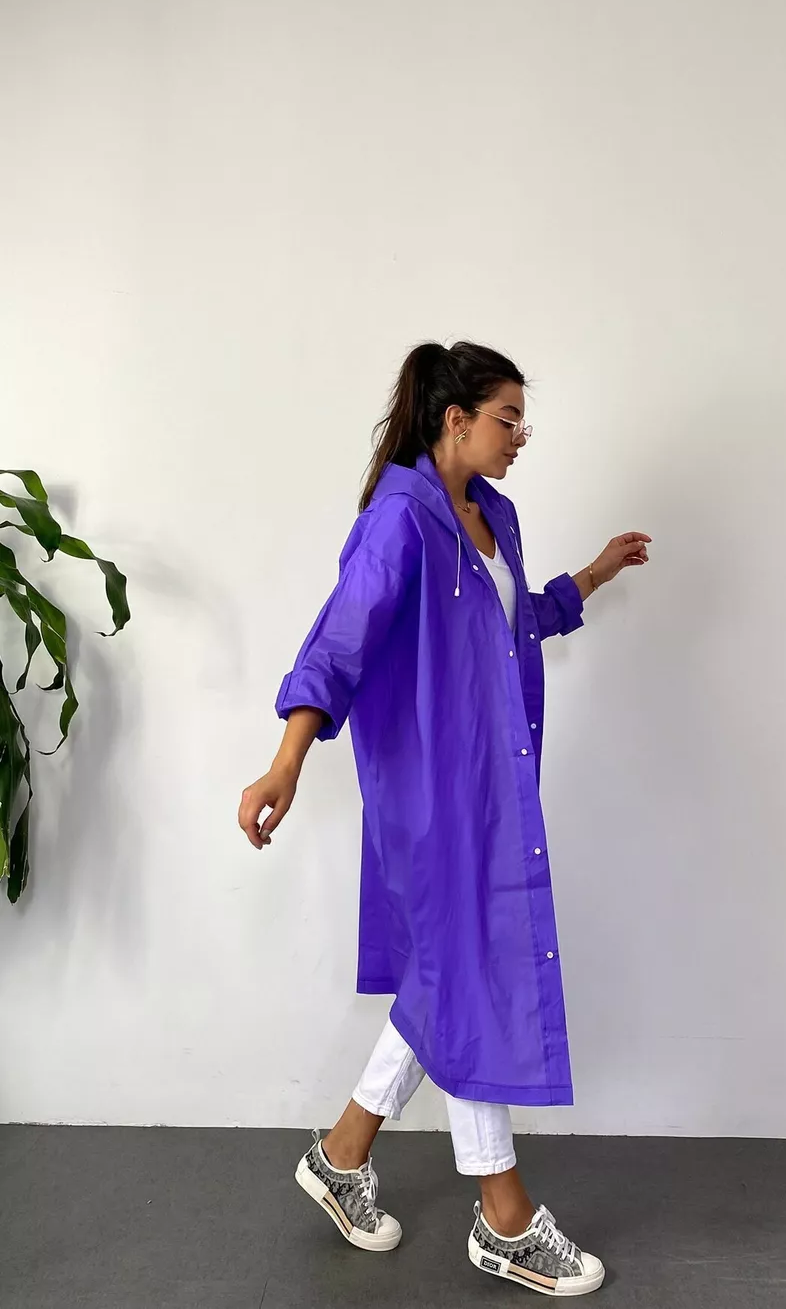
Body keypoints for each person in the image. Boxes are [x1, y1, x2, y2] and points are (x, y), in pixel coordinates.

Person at [239, 341, 651, 1297]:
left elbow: (510, 625)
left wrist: (591, 577)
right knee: (469, 974)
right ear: (455, 420)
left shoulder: (492, 517)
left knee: (446, 973)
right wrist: (287, 761)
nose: (520, 437)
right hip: (429, 798)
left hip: (492, 789)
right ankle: (503, 1217)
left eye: (524, 422)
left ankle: (343, 1155)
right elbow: (339, 644)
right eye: (508, 419)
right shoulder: (400, 522)